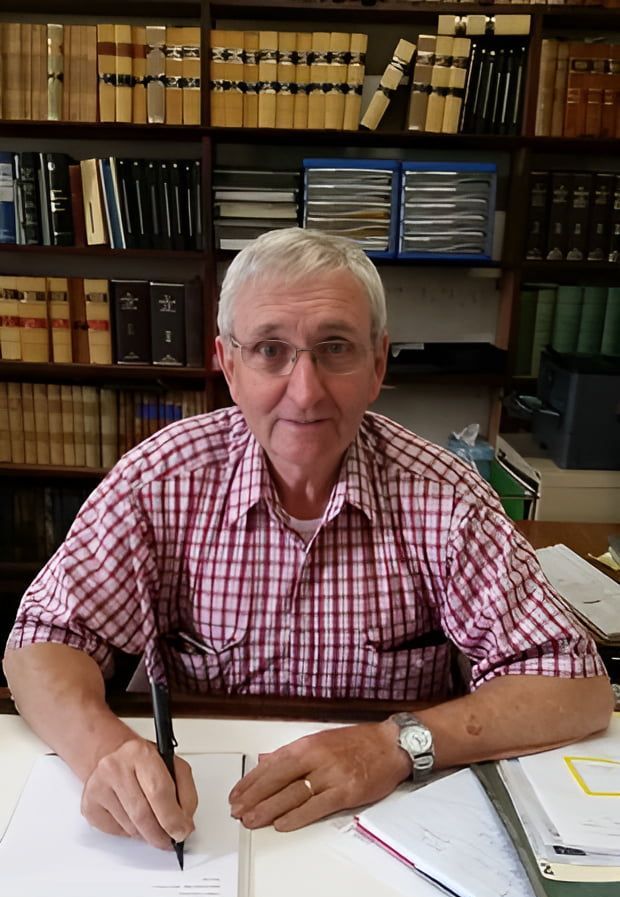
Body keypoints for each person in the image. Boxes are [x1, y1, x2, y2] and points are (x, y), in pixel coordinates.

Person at [3, 228, 612, 852]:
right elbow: (44, 641)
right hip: (204, 818)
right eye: (270, 349)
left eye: (335, 348)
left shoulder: (447, 497)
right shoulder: (158, 482)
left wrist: (395, 742)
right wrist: (104, 748)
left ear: (377, 365)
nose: (305, 390)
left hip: (397, 825)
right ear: (229, 364)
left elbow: (576, 687)